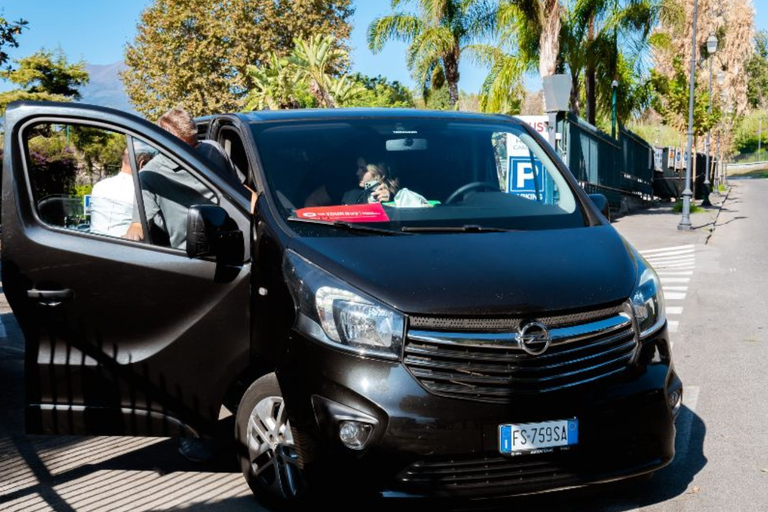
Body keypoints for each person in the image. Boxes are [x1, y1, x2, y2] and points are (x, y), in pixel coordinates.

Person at [123, 107, 235, 250]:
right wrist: (129, 242)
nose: (194, 153)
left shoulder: (213, 150)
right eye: (185, 150)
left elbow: (240, 190)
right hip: (188, 258)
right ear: (165, 144)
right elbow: (138, 225)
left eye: (196, 145)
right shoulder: (150, 175)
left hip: (230, 244)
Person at [90, 147, 152, 236]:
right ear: (142, 164)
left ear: (123, 160)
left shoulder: (99, 187)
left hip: (92, 246)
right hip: (126, 248)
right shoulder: (143, 193)